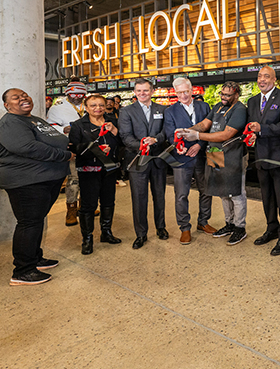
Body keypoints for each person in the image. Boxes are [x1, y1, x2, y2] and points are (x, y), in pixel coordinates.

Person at [0, 88, 74, 286]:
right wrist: (64, 156)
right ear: (7, 105)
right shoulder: (9, 123)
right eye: (16, 97)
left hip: (46, 179)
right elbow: (28, 147)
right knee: (29, 223)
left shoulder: (34, 120)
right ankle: (23, 271)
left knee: (36, 221)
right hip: (26, 181)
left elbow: (55, 139)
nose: (23, 98)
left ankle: (35, 258)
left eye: (24, 95)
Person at [178, 82, 248, 246]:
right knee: (222, 191)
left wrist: (198, 136)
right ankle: (229, 224)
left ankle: (240, 227)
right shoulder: (217, 106)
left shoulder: (239, 110)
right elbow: (204, 125)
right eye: (222, 94)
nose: (224, 97)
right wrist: (187, 131)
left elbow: (226, 134)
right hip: (215, 154)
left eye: (227, 95)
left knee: (236, 193)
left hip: (233, 155)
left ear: (236, 95)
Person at [246, 66, 280, 256]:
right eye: (259, 76)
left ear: (274, 79)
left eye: (266, 76)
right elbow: (252, 127)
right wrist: (252, 135)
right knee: (267, 198)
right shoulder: (252, 101)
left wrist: (262, 129)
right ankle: (271, 228)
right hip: (261, 157)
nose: (262, 80)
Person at [68, 95, 122, 254]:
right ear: (86, 107)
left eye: (101, 105)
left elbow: (122, 143)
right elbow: (73, 148)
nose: (97, 108)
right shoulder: (78, 125)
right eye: (93, 105)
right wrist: (96, 150)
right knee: (88, 205)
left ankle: (106, 232)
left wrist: (114, 131)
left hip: (110, 169)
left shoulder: (113, 121)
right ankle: (87, 238)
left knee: (108, 201)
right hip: (89, 170)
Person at [118, 78, 169, 249]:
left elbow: (166, 131)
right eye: (139, 91)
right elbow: (125, 136)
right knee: (139, 198)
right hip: (137, 160)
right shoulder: (126, 111)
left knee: (159, 195)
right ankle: (141, 234)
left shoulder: (162, 109)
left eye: (145, 90)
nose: (142, 94)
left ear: (152, 91)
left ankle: (161, 228)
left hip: (158, 159)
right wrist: (142, 144)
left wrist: (156, 139)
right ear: (134, 92)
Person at [164, 77, 214, 245]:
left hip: (201, 156)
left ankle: (203, 222)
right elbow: (170, 134)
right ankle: (184, 227)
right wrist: (180, 147)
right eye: (179, 93)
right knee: (181, 194)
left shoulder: (204, 106)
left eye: (186, 91)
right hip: (181, 158)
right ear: (175, 93)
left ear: (192, 90)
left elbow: (210, 129)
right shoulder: (170, 111)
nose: (183, 95)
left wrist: (199, 145)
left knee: (206, 190)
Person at [47, 81, 87, 226]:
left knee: (88, 177)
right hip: (70, 147)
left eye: (81, 94)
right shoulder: (57, 108)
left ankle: (85, 205)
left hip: (89, 148)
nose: (77, 97)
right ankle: (71, 209)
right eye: (74, 94)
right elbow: (50, 126)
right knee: (73, 180)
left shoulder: (88, 105)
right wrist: (64, 129)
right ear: (67, 93)